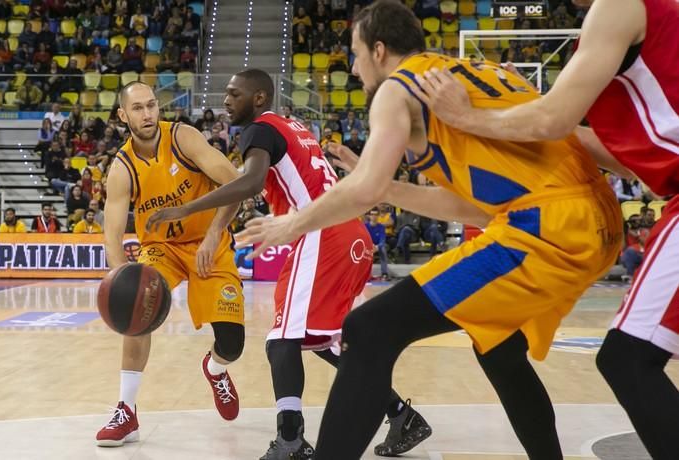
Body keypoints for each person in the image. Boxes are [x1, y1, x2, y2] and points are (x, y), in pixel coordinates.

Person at [234, 2, 624, 458]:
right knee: (495, 344)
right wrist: (383, 185)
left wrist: (292, 224)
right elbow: (473, 208)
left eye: (357, 54)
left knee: (368, 328)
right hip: (597, 221)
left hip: (548, 226)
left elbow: (362, 191)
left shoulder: (398, 90)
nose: (355, 69)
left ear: (379, 51)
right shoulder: (476, 72)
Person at [411, 0, 679, 456]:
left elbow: (553, 120)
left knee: (628, 358)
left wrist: (468, 117)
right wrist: (525, 109)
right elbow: (627, 163)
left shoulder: (617, 7)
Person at [146, 69, 431, 459]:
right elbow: (253, 184)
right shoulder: (291, 125)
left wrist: (187, 207)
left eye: (233, 94)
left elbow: (249, 183)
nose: (225, 101)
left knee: (281, 338)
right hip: (351, 236)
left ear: (259, 98)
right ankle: (401, 416)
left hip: (322, 233)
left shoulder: (258, 130)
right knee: (323, 341)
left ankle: (291, 439)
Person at [96, 82, 245, 447]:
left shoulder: (183, 138)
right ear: (123, 115)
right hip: (161, 248)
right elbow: (112, 235)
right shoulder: (122, 166)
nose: (147, 114)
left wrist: (213, 235)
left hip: (209, 241)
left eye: (151, 106)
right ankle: (126, 410)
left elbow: (236, 184)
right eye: (138, 108)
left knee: (233, 342)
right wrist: (120, 281)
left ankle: (215, 369)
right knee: (135, 309)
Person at [365, 208, 390, 281]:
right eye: (372, 214)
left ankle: (384, 273)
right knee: (363, 250)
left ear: (378, 216)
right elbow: (364, 238)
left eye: (376, 214)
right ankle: (365, 274)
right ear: (369, 216)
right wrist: (370, 246)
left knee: (383, 249)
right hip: (368, 245)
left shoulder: (381, 227)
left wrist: (377, 246)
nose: (374, 216)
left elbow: (382, 239)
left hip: (378, 246)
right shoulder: (365, 226)